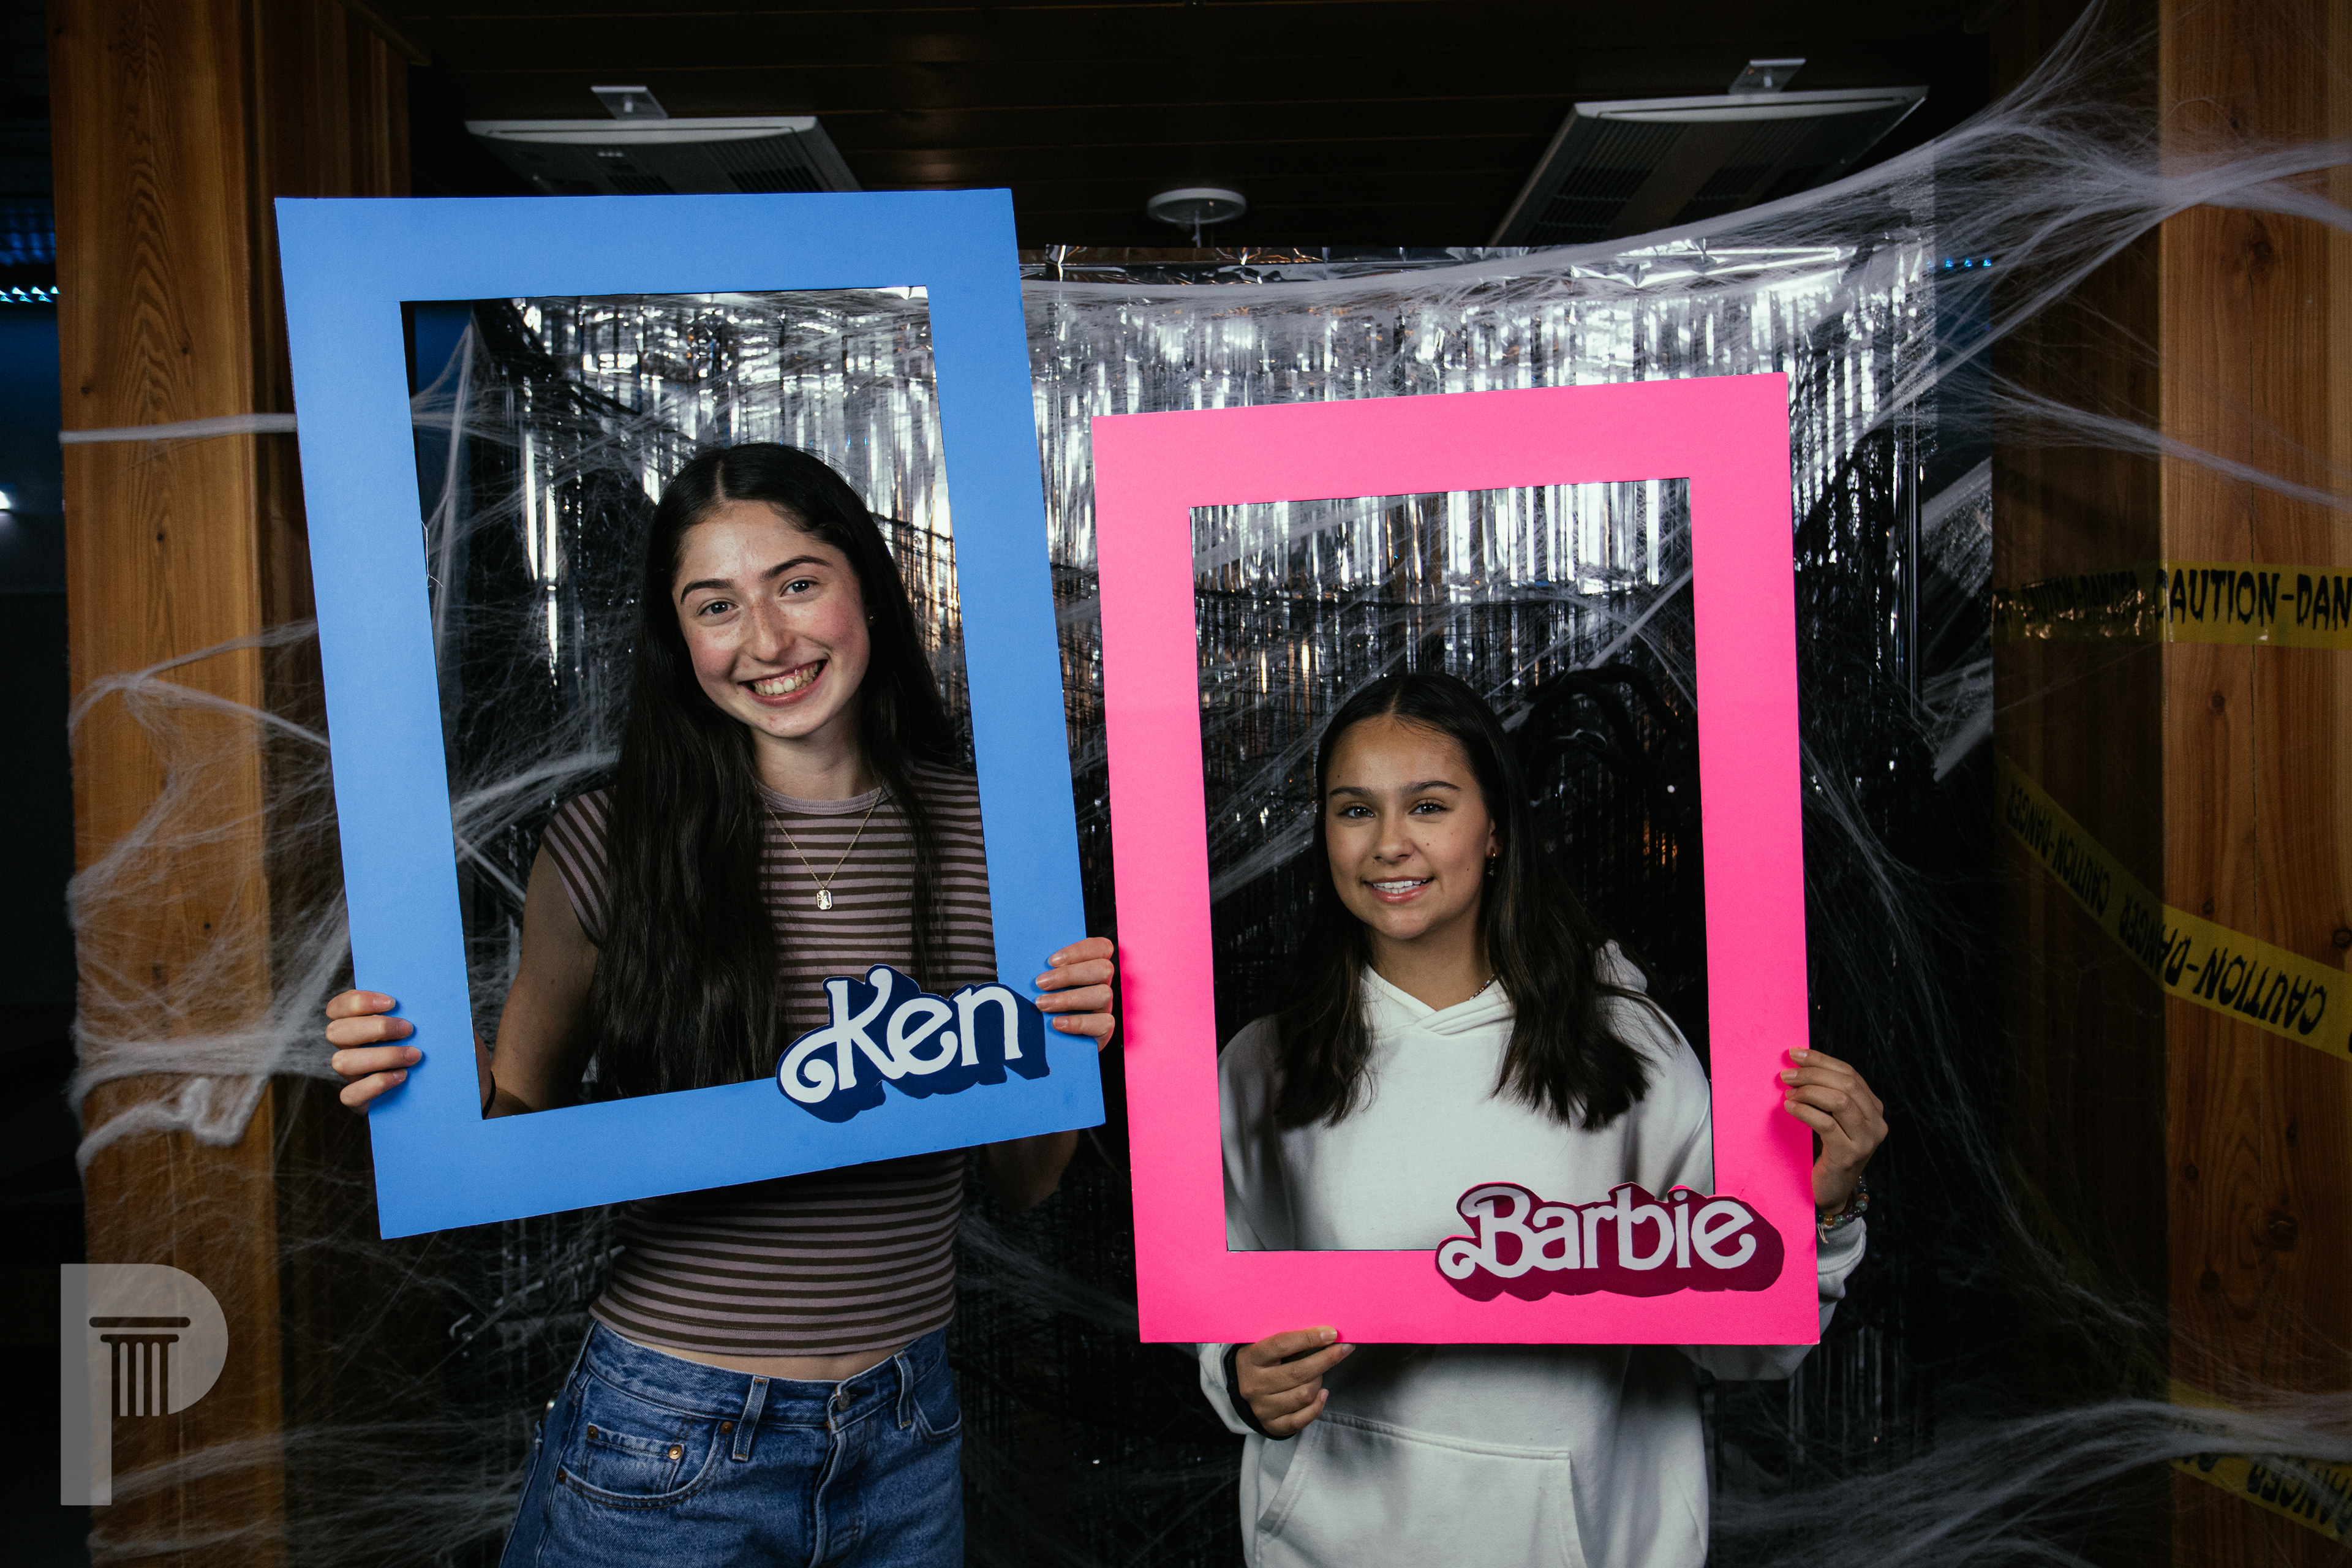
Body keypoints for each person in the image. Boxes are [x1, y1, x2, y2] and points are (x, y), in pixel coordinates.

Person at [323, 442, 1116, 1568]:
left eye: (797, 583)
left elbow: (1027, 1180)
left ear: (867, 589)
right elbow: (513, 1139)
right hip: (669, 1435)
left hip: (907, 1430)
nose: (768, 641)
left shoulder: (1001, 837)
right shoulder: (609, 846)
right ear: (679, 640)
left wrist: (1069, 1044)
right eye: (716, 606)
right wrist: (420, 1086)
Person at [1200, 670, 1886, 1568]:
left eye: (1429, 806)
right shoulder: (1263, 1064)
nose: (1389, 844)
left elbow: (1747, 1343)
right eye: (1355, 810)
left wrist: (1820, 1209)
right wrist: (1238, 1379)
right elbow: (1217, 1298)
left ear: (1495, 830)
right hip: (1328, 1543)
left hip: (1593, 1542)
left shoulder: (1629, 1049)